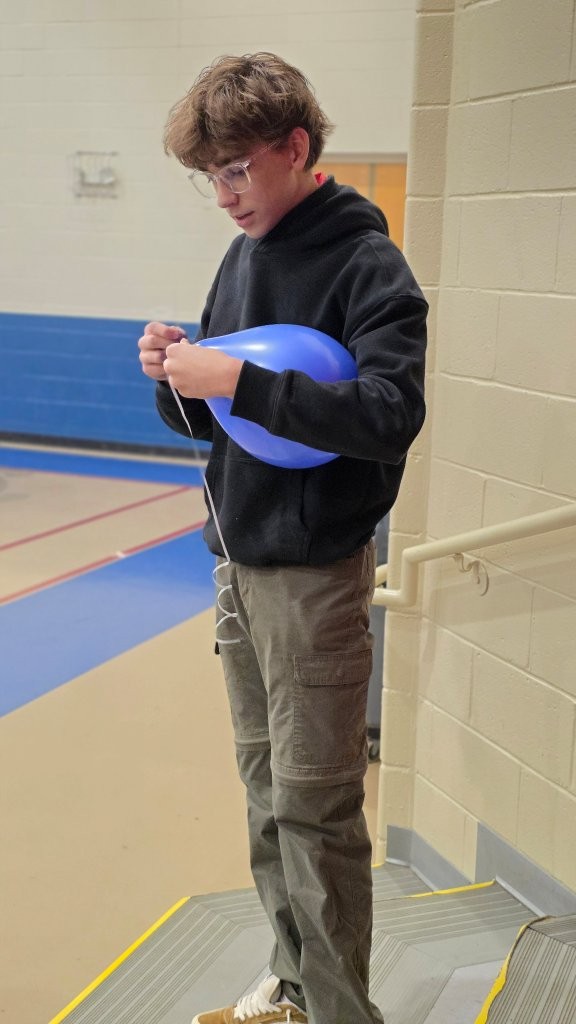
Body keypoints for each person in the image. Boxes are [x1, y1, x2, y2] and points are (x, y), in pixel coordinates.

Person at [138, 52, 427, 1024]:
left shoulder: (366, 263)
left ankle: (343, 1013)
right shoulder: (244, 257)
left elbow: (389, 413)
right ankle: (295, 990)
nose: (223, 196)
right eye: (209, 177)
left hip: (313, 579)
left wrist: (239, 380)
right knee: (266, 797)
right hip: (239, 563)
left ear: (295, 147)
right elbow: (221, 420)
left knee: (315, 807)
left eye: (236, 170)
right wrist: (176, 377)